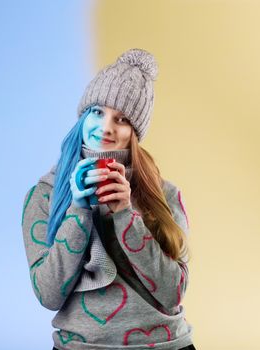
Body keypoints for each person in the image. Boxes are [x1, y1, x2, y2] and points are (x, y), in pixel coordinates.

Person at [21, 48, 196, 350]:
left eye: (122, 119)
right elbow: (49, 295)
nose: (106, 127)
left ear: (134, 133)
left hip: (167, 345)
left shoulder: (164, 194)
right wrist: (78, 210)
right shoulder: (44, 195)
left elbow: (173, 293)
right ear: (83, 116)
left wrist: (126, 215)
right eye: (97, 112)